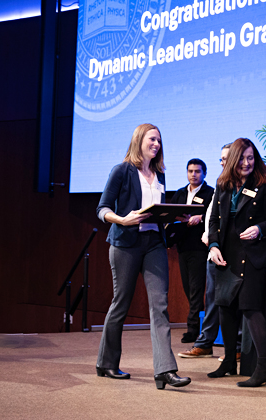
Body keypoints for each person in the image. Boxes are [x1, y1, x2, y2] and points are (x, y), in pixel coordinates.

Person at [95, 123, 191, 390]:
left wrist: (176, 216)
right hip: (125, 243)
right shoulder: (122, 171)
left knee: (159, 305)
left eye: (159, 140)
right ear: (139, 140)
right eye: (152, 139)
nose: (157, 144)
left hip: (153, 244)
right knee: (121, 304)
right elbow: (101, 208)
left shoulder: (159, 173)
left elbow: (156, 211)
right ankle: (107, 362)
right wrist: (122, 220)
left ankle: (165, 370)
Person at [207, 137, 266, 387]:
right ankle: (229, 361)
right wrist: (214, 245)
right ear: (233, 160)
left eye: (251, 158)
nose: (247, 163)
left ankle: (264, 368)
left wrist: (259, 229)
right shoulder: (223, 183)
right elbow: (214, 219)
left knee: (250, 308)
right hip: (226, 254)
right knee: (225, 307)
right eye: (243, 158)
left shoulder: (264, 183)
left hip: (252, 256)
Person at [178, 144, 238, 359]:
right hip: (213, 248)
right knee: (211, 297)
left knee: (233, 298)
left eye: (226, 158)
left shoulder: (246, 184)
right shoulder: (221, 183)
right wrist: (211, 239)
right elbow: (213, 215)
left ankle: (237, 346)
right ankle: (205, 343)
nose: (223, 162)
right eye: (221, 159)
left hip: (234, 250)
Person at [167, 158, 214, 344]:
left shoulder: (210, 193)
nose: (193, 174)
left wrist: (200, 217)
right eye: (190, 171)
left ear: (204, 173)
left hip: (200, 247)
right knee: (188, 288)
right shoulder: (179, 193)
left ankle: (193, 329)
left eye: (197, 171)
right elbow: (172, 216)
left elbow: (214, 216)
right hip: (183, 246)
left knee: (196, 289)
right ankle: (198, 324)